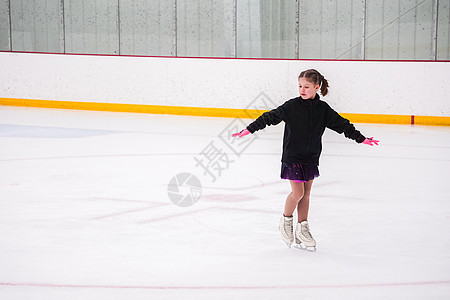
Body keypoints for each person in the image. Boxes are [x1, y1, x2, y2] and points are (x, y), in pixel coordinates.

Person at [232, 69, 379, 251]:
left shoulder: (323, 110)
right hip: (292, 156)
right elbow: (269, 117)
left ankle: (302, 229)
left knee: (306, 193)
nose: (302, 89)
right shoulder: (292, 106)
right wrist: (249, 129)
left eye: (307, 86)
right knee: (298, 193)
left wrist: (361, 138)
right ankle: (286, 221)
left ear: (317, 87)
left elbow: (343, 125)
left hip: (311, 157)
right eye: (300, 86)